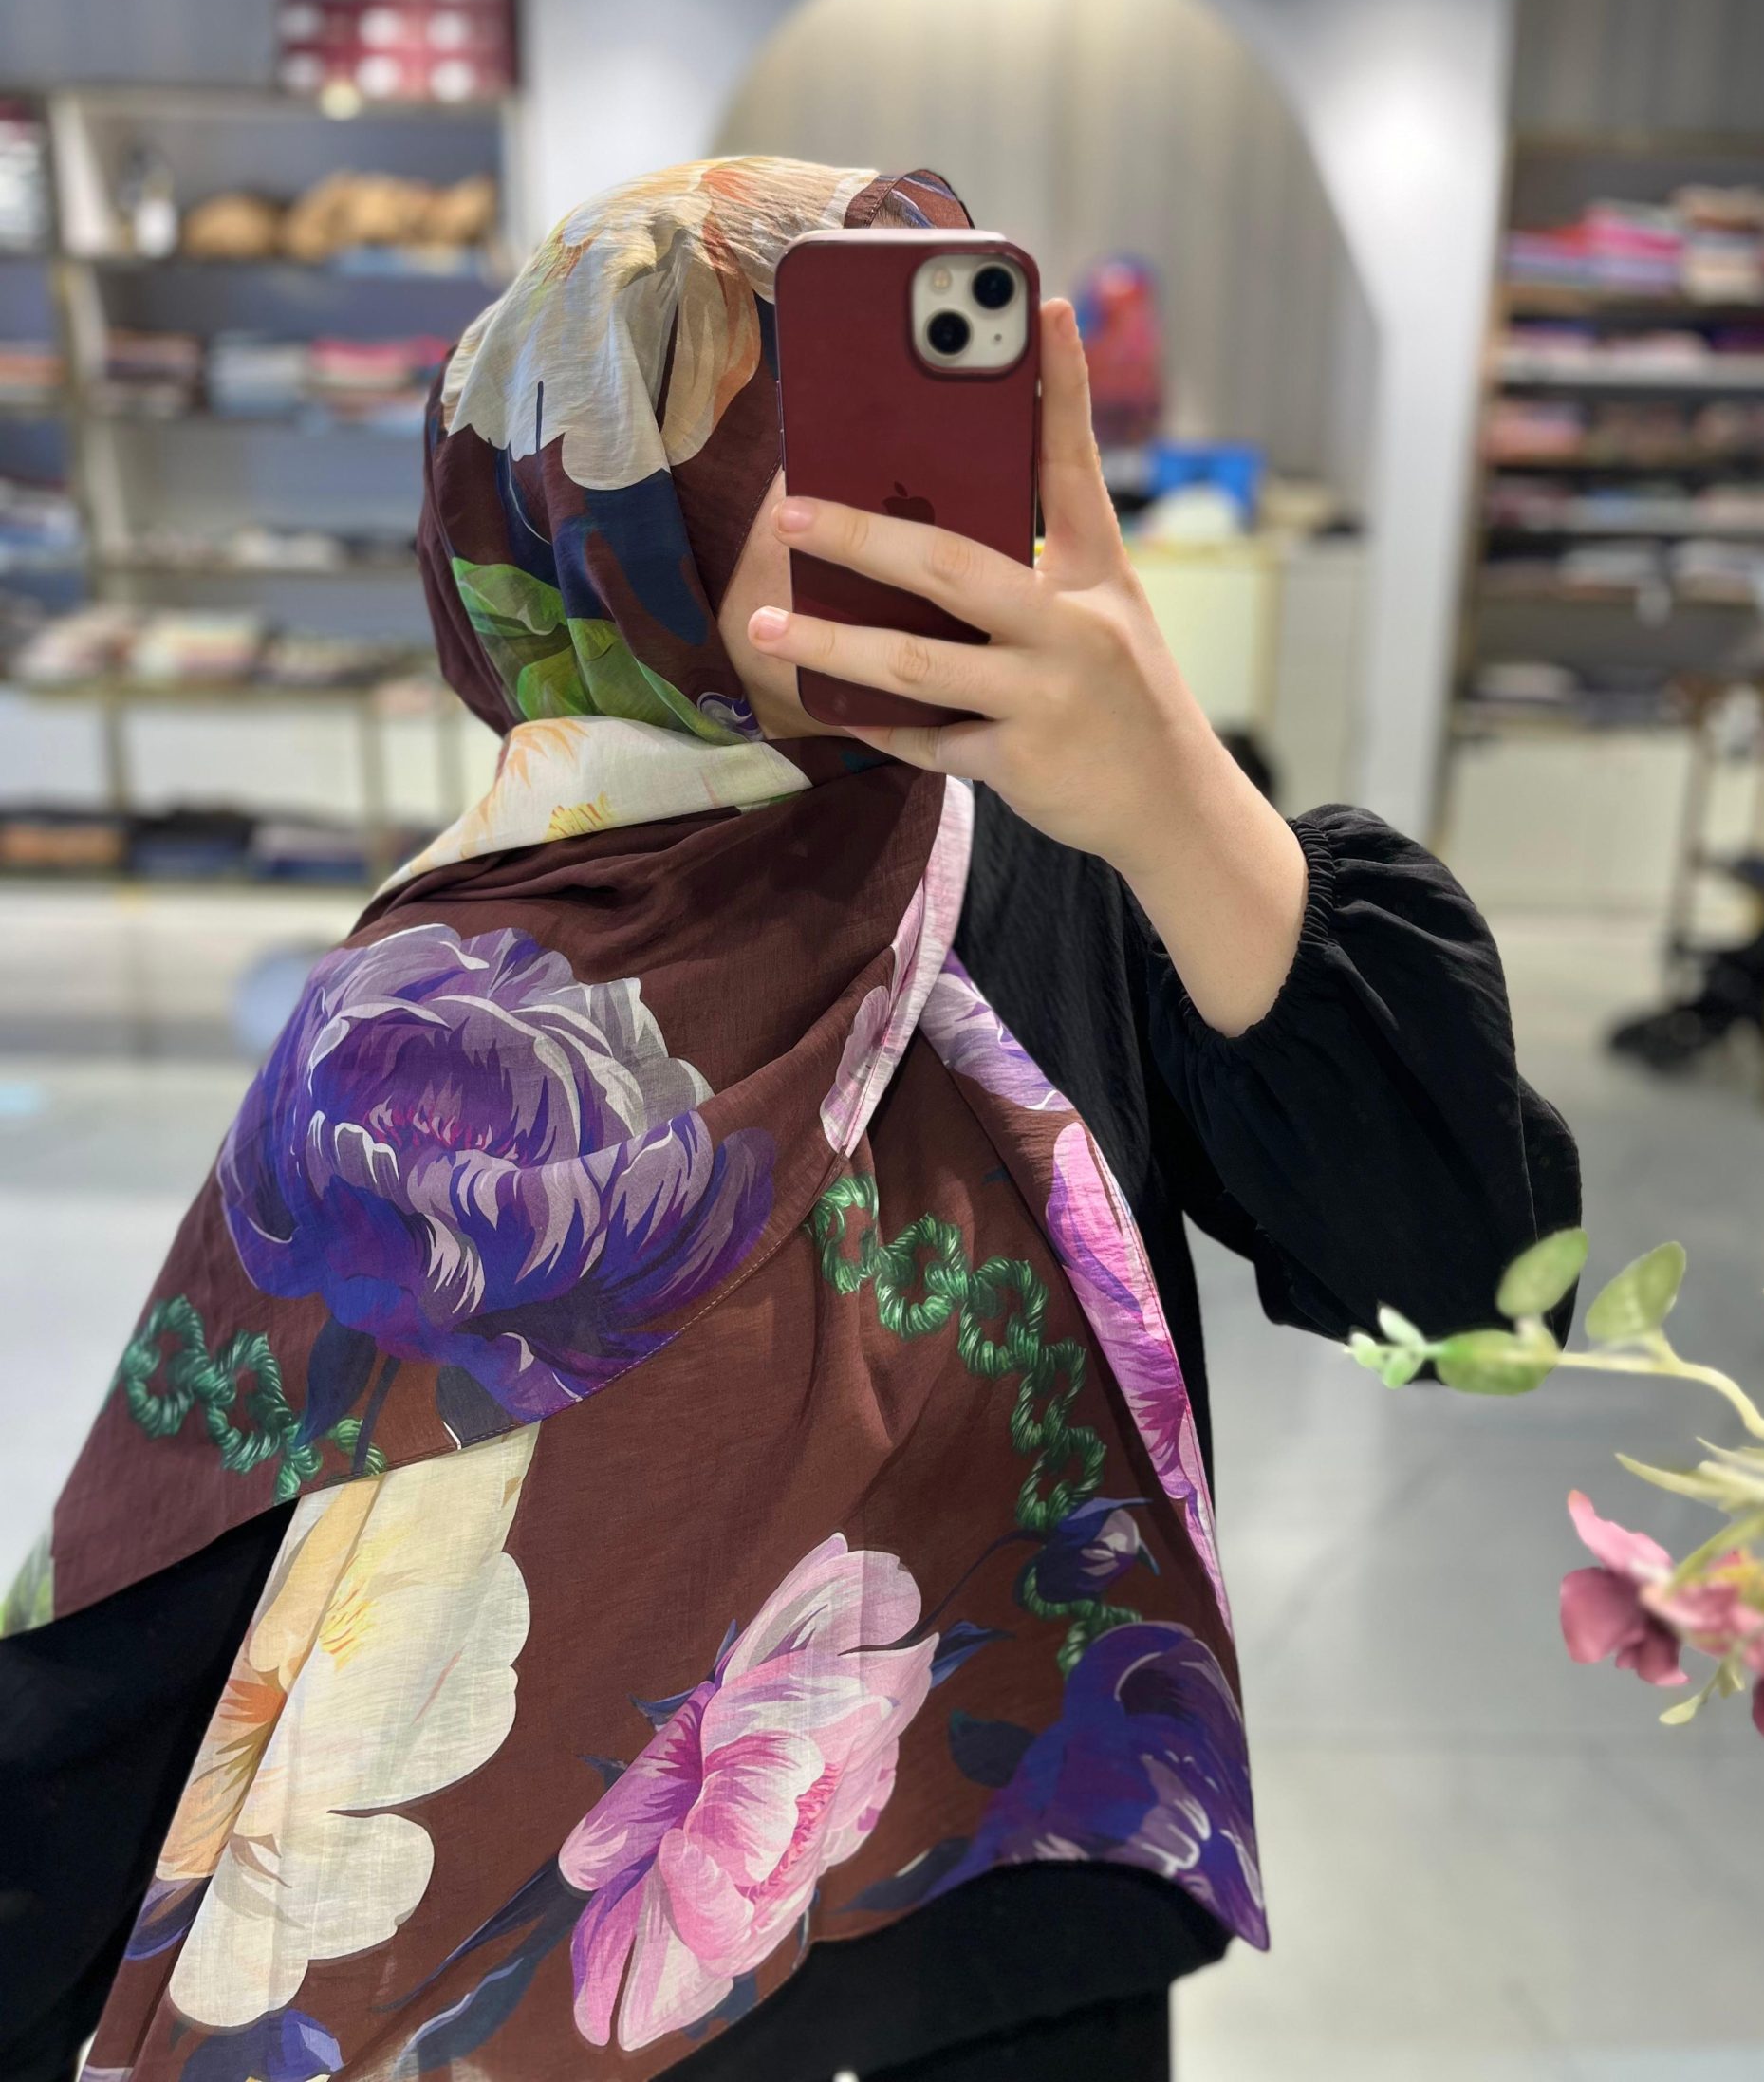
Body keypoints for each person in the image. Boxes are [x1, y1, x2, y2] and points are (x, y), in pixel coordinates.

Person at [0, 158, 1579, 2082]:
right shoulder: (423, 1020)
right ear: (600, 515)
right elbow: (155, 1599)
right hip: (531, 1999)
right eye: (776, 440)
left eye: (921, 421)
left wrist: (1177, 790)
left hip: (1002, 1956)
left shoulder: (1079, 878)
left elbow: (1482, 1298)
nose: (890, 501)